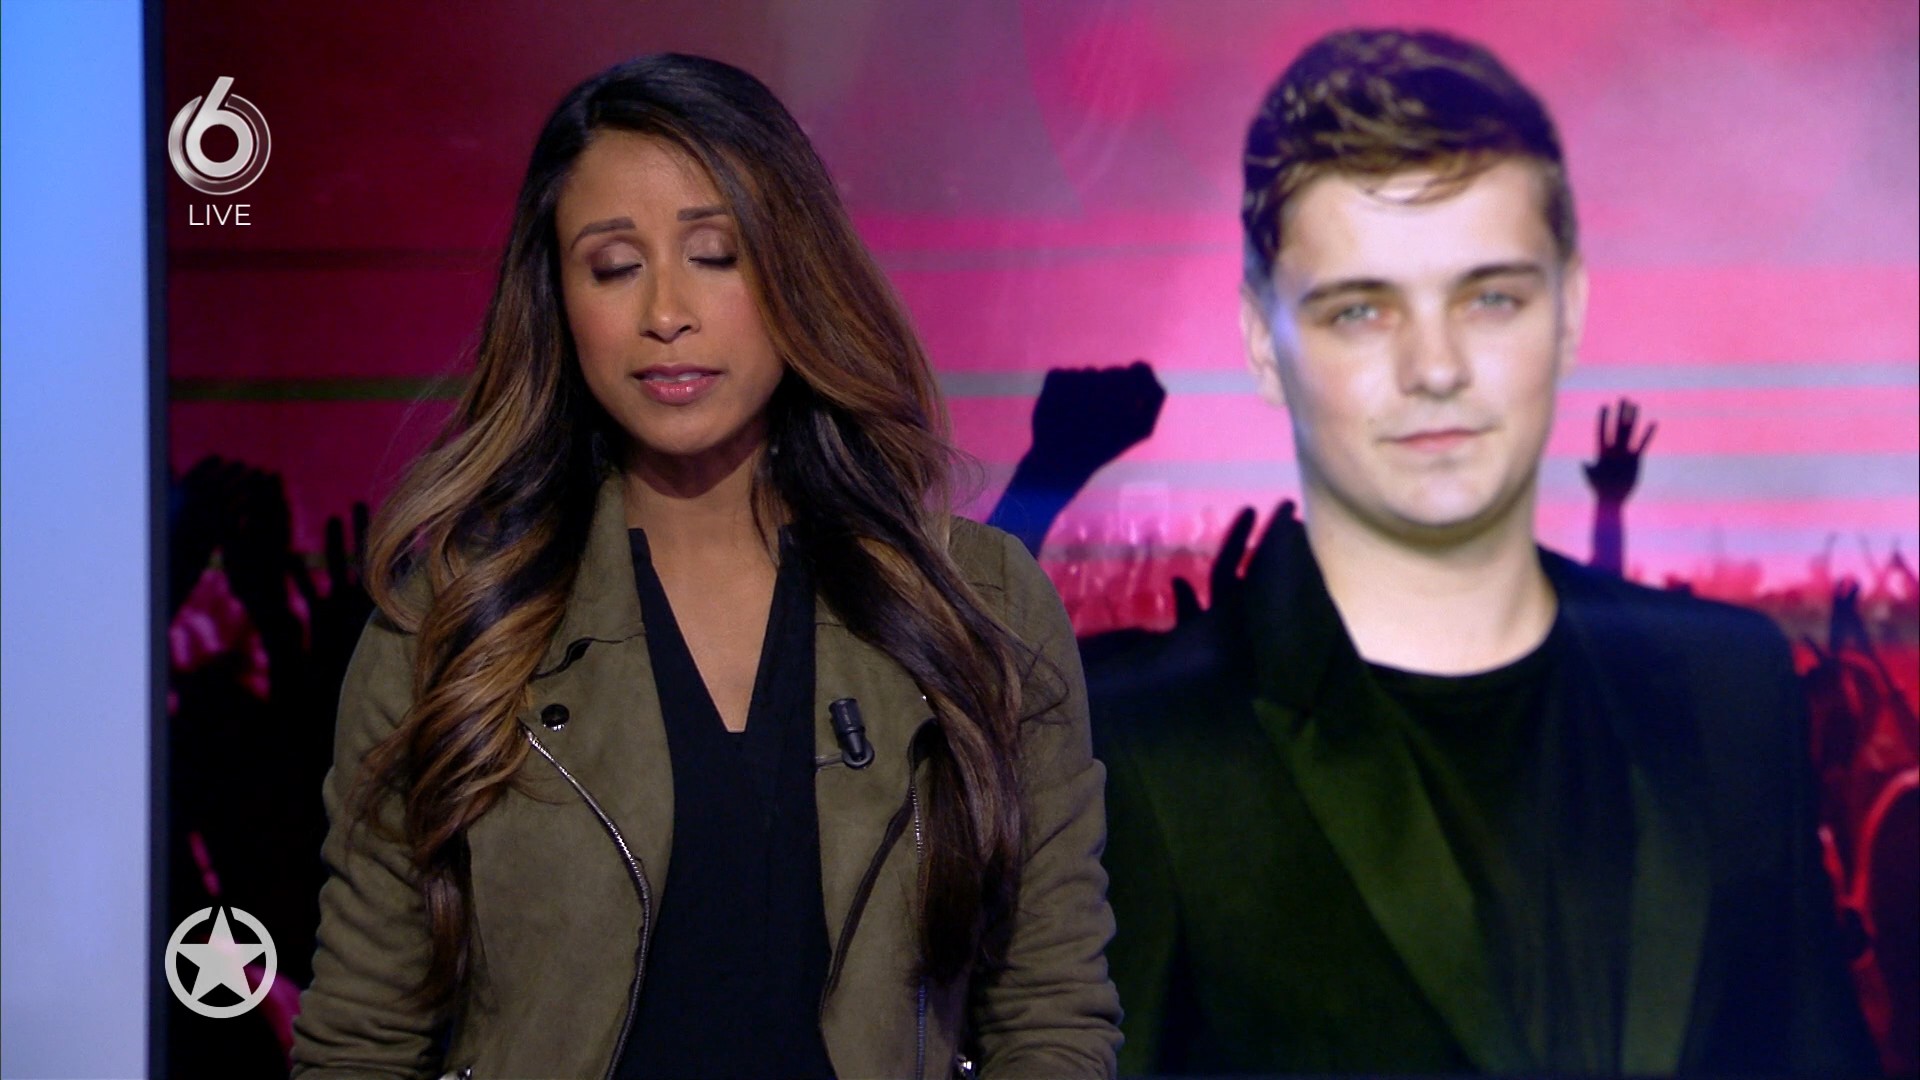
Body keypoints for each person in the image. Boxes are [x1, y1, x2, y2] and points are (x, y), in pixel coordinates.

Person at [290, 53, 1120, 1079]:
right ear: (560, 300)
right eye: (613, 266)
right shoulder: (452, 627)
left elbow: (1050, 1013)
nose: (666, 311)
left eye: (716, 254)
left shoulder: (980, 604)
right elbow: (361, 1043)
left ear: (795, 270)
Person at [1092, 28, 1876, 1075]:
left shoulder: (1730, 689)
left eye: (1490, 297)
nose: (1436, 366)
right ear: (1261, 343)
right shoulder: (1132, 741)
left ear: (1570, 309)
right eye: (1361, 310)